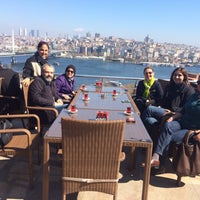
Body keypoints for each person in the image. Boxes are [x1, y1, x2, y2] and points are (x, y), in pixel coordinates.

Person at [148, 75, 200, 168]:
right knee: (168, 125)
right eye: (199, 83)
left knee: (169, 137)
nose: (198, 85)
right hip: (182, 122)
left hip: (193, 130)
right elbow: (183, 111)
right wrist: (173, 117)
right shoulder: (194, 96)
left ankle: (159, 164)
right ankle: (156, 158)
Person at [141, 67, 195, 137]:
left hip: (175, 114)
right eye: (175, 75)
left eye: (179, 75)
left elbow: (186, 108)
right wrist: (160, 106)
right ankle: (148, 138)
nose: (177, 77)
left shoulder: (189, 90)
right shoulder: (170, 87)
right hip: (165, 110)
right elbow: (163, 101)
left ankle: (143, 135)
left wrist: (172, 112)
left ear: (184, 77)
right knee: (150, 120)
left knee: (149, 109)